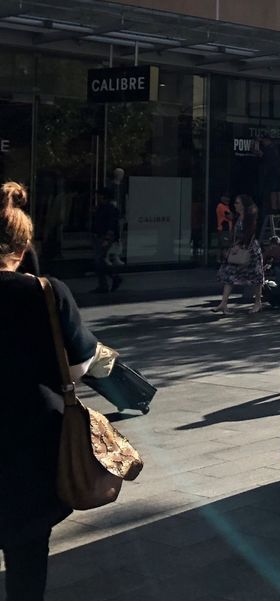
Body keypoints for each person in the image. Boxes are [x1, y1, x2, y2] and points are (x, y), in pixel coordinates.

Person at [2, 185, 101, 601]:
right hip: (32, 438)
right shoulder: (47, 292)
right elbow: (81, 365)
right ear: (24, 249)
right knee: (27, 554)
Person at [213, 195, 264, 314]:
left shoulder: (249, 217)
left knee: (256, 276)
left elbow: (249, 234)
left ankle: (257, 302)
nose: (235, 205)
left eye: (237, 203)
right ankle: (224, 303)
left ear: (243, 205)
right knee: (229, 274)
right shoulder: (237, 218)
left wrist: (240, 245)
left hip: (249, 250)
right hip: (237, 248)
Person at [90, 187, 123, 293]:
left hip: (104, 237)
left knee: (100, 260)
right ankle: (106, 282)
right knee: (100, 260)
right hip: (100, 236)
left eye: (99, 195)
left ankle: (113, 278)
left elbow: (112, 225)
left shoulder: (110, 208)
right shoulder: (101, 207)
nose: (97, 197)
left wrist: (107, 238)